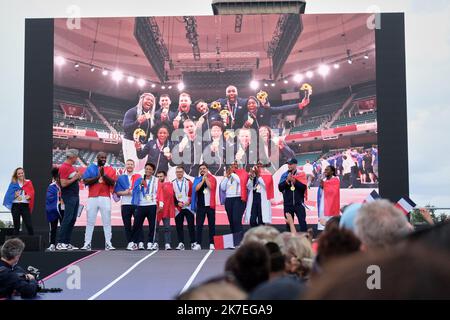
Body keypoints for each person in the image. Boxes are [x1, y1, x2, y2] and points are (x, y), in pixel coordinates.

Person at [81, 152, 117, 251]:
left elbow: (113, 182)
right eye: (101, 157)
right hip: (92, 197)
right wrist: (98, 177)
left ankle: (108, 244)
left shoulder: (110, 169)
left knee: (107, 222)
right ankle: (87, 244)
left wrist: (104, 175)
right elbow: (85, 181)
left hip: (105, 197)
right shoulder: (91, 167)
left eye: (105, 157)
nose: (103, 159)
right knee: (90, 222)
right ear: (97, 158)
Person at [131, 163, 164, 250]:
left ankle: (150, 243)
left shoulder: (157, 180)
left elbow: (160, 193)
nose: (148, 170)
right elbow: (134, 191)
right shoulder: (140, 179)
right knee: (137, 225)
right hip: (141, 205)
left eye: (150, 169)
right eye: (147, 169)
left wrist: (161, 205)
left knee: (152, 225)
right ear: (144, 169)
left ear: (153, 171)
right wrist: (140, 185)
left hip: (152, 205)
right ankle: (134, 243)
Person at [122, 92, 157, 171]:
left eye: (152, 101)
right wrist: (137, 121)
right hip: (131, 142)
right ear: (141, 99)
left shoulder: (150, 116)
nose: (149, 102)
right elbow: (125, 128)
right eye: (147, 99)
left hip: (144, 145)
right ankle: (127, 183)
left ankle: (138, 183)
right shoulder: (132, 111)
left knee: (141, 170)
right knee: (131, 167)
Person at [113, 159, 142, 250]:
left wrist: (133, 191)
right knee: (127, 224)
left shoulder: (138, 176)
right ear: (126, 166)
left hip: (136, 203)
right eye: (128, 164)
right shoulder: (121, 177)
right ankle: (130, 242)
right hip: (125, 204)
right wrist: (125, 193)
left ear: (134, 166)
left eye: (131, 164)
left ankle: (137, 242)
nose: (129, 166)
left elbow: (142, 189)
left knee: (138, 224)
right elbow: (117, 192)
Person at [56, 149, 82, 250]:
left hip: (75, 196)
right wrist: (75, 177)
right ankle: (60, 242)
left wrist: (77, 177)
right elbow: (63, 183)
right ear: (72, 157)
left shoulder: (70, 167)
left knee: (72, 219)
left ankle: (66, 243)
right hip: (69, 196)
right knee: (67, 218)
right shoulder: (64, 167)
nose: (77, 159)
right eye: (76, 157)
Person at [191, 163, 217, 250]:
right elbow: (196, 189)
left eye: (204, 168)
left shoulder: (212, 178)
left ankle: (212, 243)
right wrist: (202, 180)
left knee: (211, 225)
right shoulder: (197, 179)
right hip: (201, 206)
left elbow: (212, 187)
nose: (202, 170)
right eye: (201, 169)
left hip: (210, 206)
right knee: (199, 225)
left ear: (207, 169)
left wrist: (206, 179)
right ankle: (198, 243)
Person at [278, 158, 308, 232]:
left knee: (303, 223)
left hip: (299, 204)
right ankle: (290, 242)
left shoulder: (301, 174)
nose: (289, 165)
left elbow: (303, 188)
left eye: (290, 164)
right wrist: (287, 181)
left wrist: (294, 181)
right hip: (288, 204)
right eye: (288, 164)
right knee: (288, 225)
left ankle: (305, 240)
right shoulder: (284, 175)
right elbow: (280, 188)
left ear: (295, 164)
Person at [3, 167, 35, 235]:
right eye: (19, 173)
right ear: (16, 175)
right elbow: (8, 196)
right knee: (16, 226)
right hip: (15, 206)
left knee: (29, 225)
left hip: (25, 206)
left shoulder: (28, 182)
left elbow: (32, 192)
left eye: (22, 173)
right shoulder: (13, 183)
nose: (21, 175)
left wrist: (29, 196)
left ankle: (33, 243)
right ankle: (15, 244)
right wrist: (15, 195)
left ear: (24, 173)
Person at [219, 161, 248, 235]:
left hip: (238, 199)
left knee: (236, 220)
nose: (233, 166)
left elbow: (241, 182)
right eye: (232, 165)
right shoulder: (229, 175)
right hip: (229, 199)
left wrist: (232, 173)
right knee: (231, 221)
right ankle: (234, 240)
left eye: (235, 164)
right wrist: (227, 176)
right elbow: (222, 187)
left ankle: (239, 241)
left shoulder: (243, 173)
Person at [155, 170, 175, 250]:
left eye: (161, 176)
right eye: (158, 176)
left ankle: (167, 244)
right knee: (155, 228)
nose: (159, 178)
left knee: (167, 228)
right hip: (157, 210)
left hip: (166, 210)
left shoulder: (169, 185)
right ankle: (155, 243)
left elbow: (172, 196)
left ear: (165, 177)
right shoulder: (154, 185)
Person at [45, 167, 64, 251]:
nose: (59, 178)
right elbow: (49, 198)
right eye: (58, 177)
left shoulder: (65, 185)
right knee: (53, 228)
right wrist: (59, 200)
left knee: (64, 227)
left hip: (63, 209)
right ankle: (52, 244)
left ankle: (63, 243)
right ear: (55, 177)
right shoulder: (51, 186)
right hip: (53, 209)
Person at [317, 165, 341, 231]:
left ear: (332, 172)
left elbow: (332, 191)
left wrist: (323, 183)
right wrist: (322, 182)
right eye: (325, 169)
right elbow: (321, 190)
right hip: (323, 204)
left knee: (331, 225)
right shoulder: (324, 180)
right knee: (323, 225)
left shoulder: (335, 179)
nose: (325, 171)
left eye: (327, 170)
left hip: (331, 205)